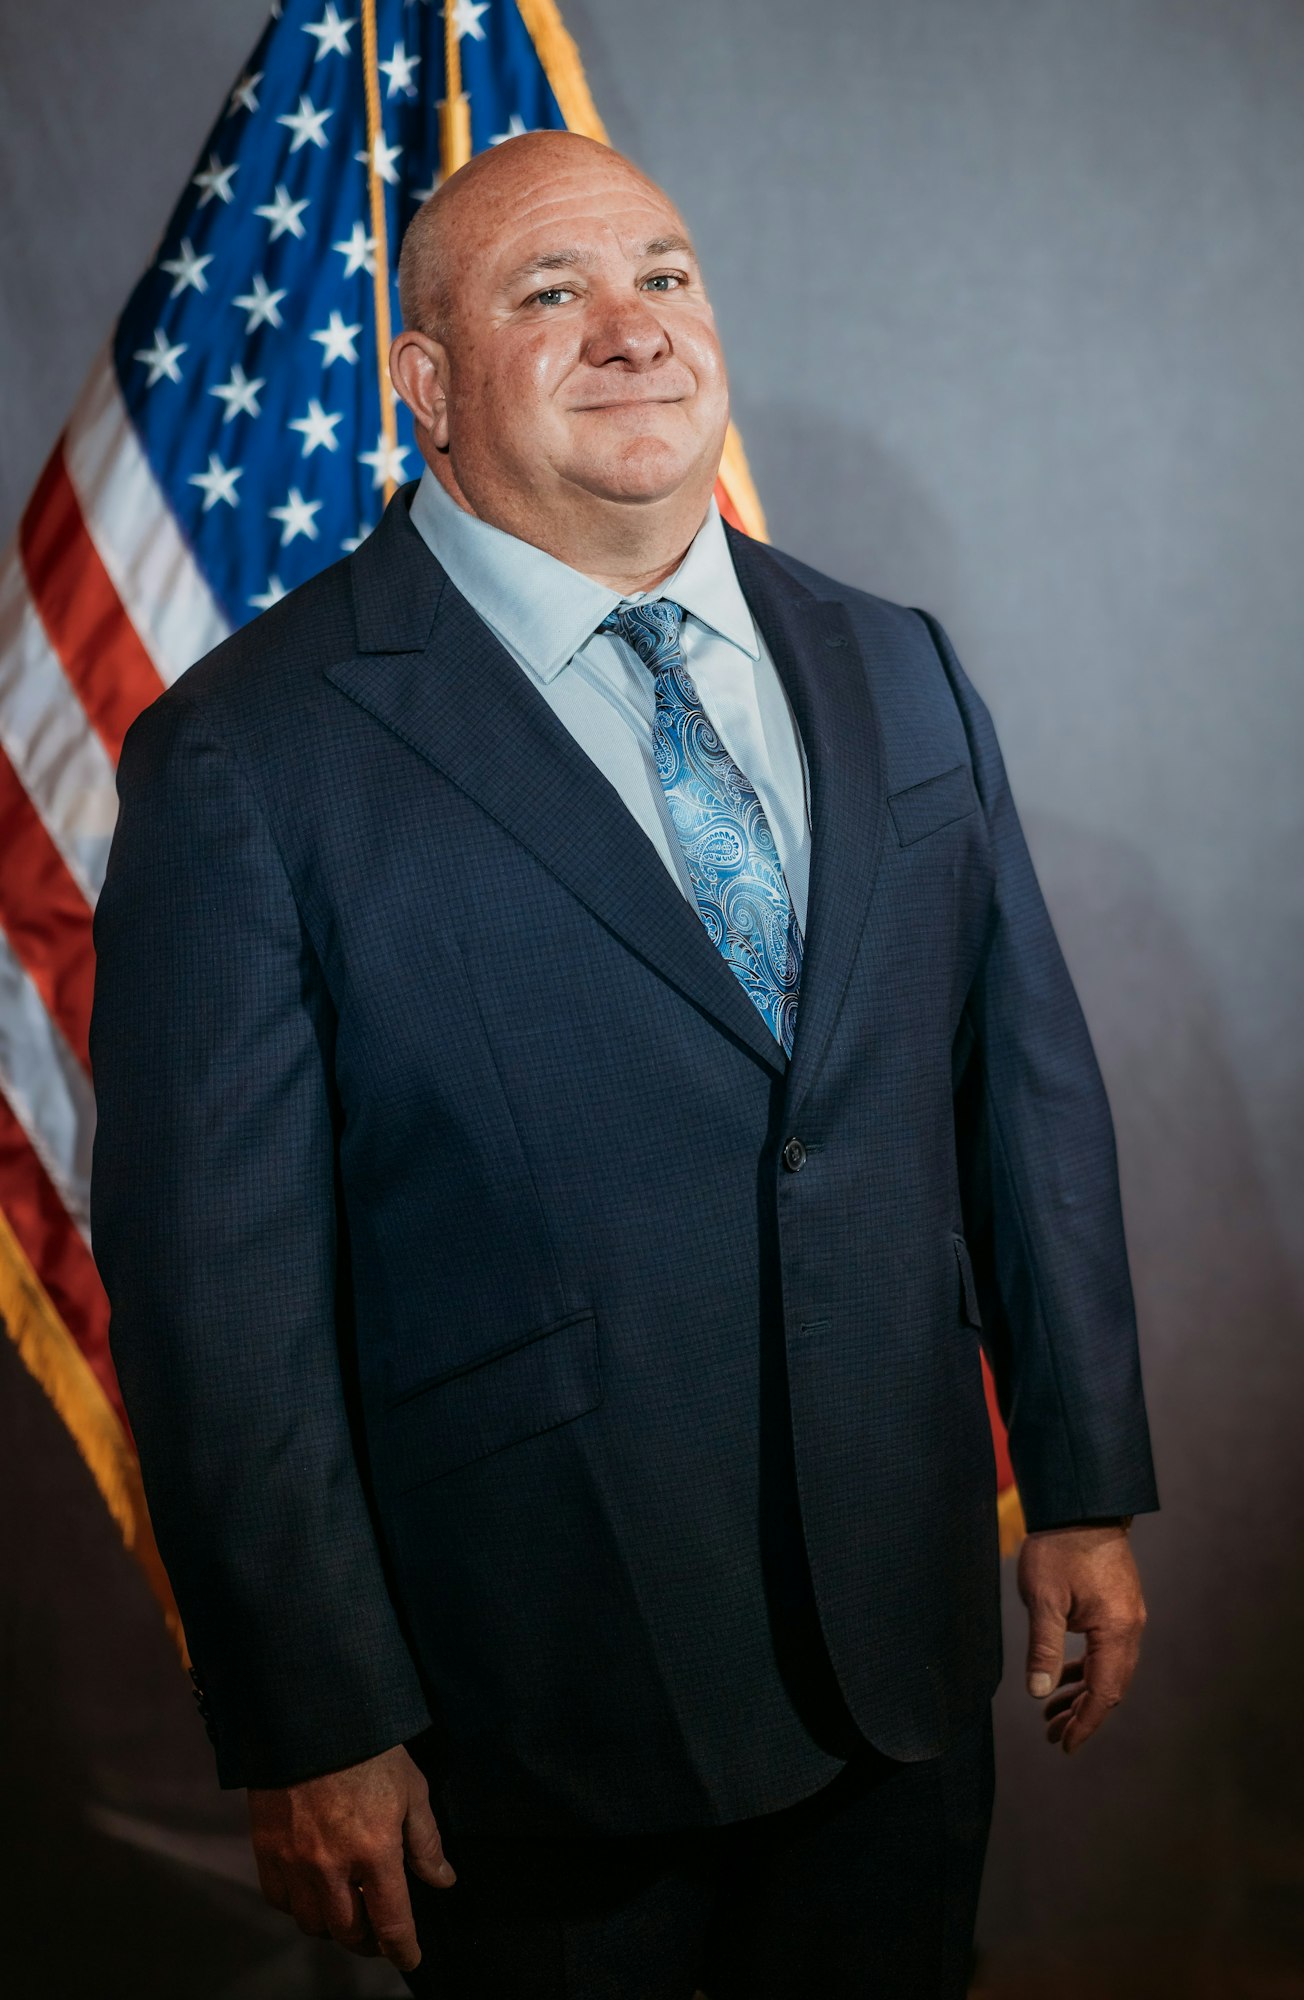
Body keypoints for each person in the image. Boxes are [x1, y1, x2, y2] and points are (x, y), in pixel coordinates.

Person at [89, 130, 1159, 1998]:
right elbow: (215, 1296)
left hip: (897, 1679)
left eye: (663, 274)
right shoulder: (245, 759)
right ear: (423, 387)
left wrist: (1077, 1481)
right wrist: (309, 1711)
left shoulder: (897, 665)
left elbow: (1028, 1099)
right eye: (549, 294)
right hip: (535, 1722)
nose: (634, 329)